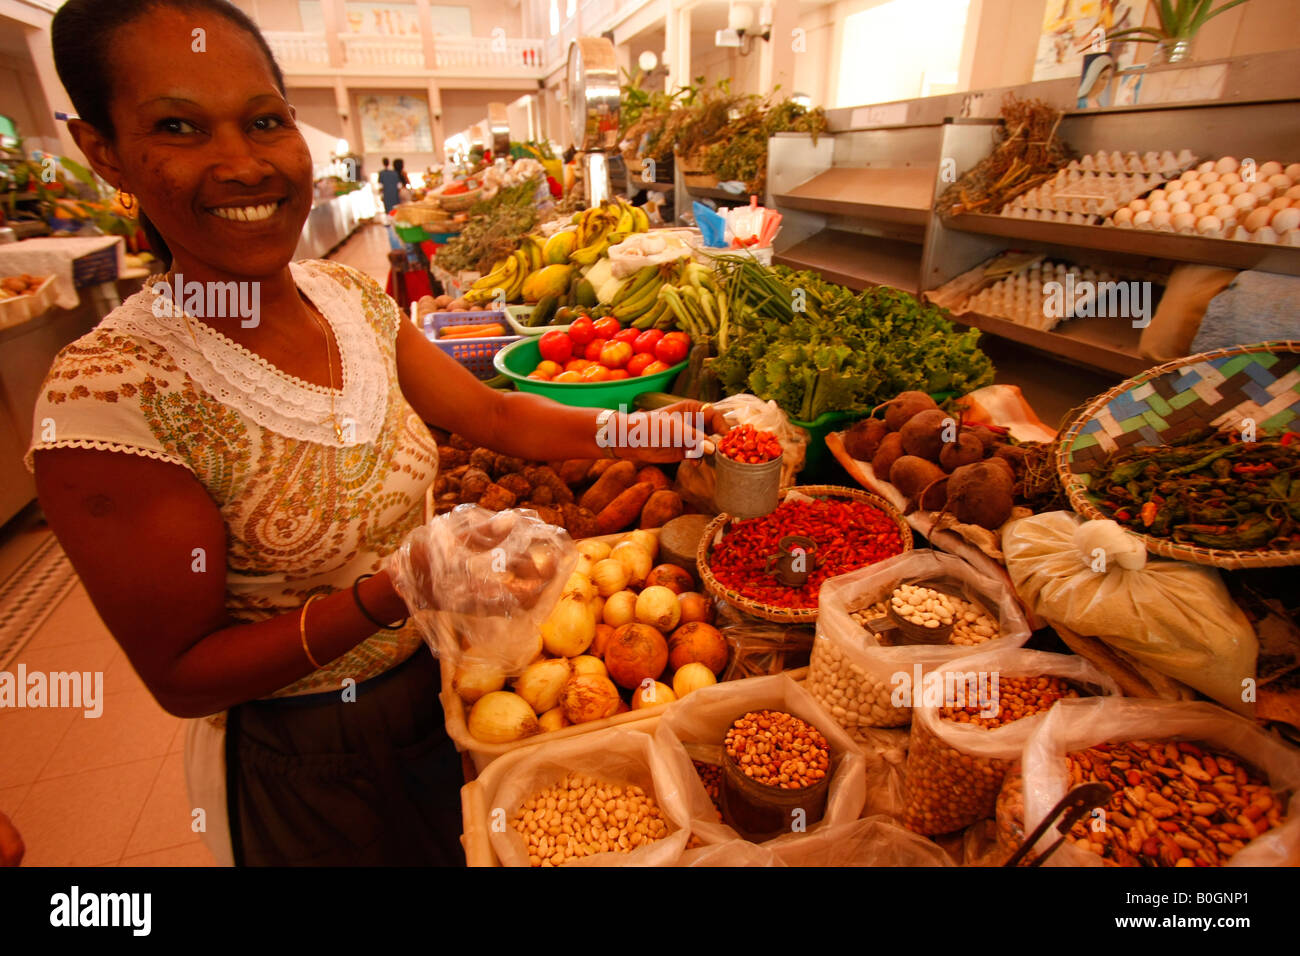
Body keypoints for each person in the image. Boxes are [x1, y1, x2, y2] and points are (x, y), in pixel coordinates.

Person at [36, 0, 724, 867]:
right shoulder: (111, 394)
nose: (243, 163)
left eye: (264, 121)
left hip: (452, 690)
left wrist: (660, 427)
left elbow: (499, 414)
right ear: (102, 151)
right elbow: (181, 673)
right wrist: (392, 591)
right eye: (177, 126)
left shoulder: (351, 299)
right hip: (314, 752)